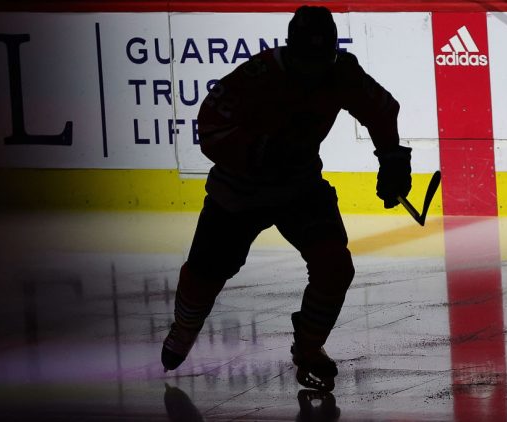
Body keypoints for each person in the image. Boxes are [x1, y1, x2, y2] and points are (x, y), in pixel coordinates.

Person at [161, 5, 411, 392]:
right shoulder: (257, 75)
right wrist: (259, 153)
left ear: (332, 52)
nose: (312, 73)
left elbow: (381, 109)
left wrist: (392, 158)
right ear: (289, 50)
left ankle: (309, 349)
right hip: (237, 192)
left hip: (300, 187)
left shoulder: (340, 71)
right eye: (305, 62)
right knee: (203, 277)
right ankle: (184, 328)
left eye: (320, 61)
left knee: (335, 267)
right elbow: (210, 124)